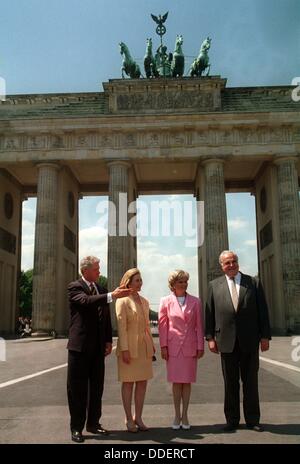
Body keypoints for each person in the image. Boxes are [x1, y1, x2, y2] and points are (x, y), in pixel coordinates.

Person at [67, 256, 133, 443]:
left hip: (97, 348)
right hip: (79, 348)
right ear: (85, 270)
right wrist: (113, 295)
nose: (99, 272)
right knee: (77, 390)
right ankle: (77, 427)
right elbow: (87, 302)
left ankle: (94, 423)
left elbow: (105, 319)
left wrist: (107, 340)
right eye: (96, 269)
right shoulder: (75, 287)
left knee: (97, 388)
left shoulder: (101, 289)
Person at [205, 250, 271, 432]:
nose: (231, 265)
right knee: (230, 384)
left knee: (251, 382)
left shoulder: (254, 283)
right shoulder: (213, 285)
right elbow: (209, 313)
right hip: (226, 341)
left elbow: (263, 311)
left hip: (250, 340)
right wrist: (210, 337)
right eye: (227, 263)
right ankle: (232, 420)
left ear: (238, 263)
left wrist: (265, 336)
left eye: (234, 261)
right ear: (222, 266)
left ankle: (253, 420)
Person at [158, 270, 204, 430]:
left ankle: (185, 415)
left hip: (190, 347)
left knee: (187, 382)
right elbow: (163, 326)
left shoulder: (196, 301)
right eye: (180, 282)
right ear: (173, 284)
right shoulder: (165, 301)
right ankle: (177, 415)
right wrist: (163, 346)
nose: (184, 284)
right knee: (176, 383)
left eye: (185, 281)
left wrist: (200, 346)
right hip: (173, 348)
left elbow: (199, 325)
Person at [115, 268, 155, 433]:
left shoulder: (145, 301)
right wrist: (124, 349)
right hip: (129, 348)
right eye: (137, 280)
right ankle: (128, 418)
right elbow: (121, 327)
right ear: (128, 282)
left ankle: (138, 417)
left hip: (144, 347)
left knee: (142, 384)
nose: (140, 283)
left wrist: (151, 345)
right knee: (128, 383)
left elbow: (146, 326)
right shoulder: (122, 300)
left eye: (141, 280)